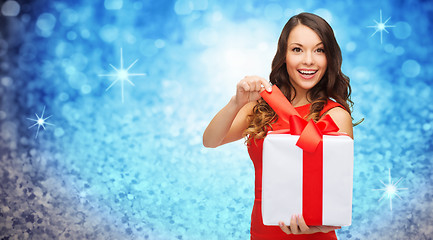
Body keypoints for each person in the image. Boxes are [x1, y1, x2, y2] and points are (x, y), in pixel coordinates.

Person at [203, 12, 353, 240]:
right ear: (284, 55)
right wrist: (236, 102)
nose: (309, 60)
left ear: (329, 57)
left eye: (319, 50)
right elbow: (211, 141)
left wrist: (319, 227)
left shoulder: (335, 116)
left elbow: (336, 193)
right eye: (297, 49)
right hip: (263, 233)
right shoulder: (262, 107)